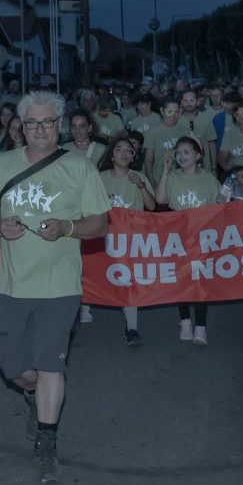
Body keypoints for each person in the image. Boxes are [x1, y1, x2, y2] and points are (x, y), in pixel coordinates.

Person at [0, 91, 111, 485]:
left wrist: (67, 227)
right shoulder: (1, 165)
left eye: (47, 122)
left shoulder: (79, 167)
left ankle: (46, 444)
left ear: (59, 124)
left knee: (51, 365)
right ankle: (33, 396)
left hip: (60, 285)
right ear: (22, 126)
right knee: (13, 368)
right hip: (12, 284)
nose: (40, 129)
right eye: (32, 122)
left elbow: (100, 223)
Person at [156, 136, 221, 346]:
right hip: (179, 236)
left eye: (187, 152)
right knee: (182, 278)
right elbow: (160, 200)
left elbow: (220, 207)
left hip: (203, 237)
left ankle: (201, 326)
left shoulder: (209, 179)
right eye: (178, 152)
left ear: (198, 156)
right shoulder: (173, 177)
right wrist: (165, 171)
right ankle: (185, 321)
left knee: (201, 280)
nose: (182, 156)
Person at [98, 136, 156, 346]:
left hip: (131, 240)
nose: (124, 153)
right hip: (105, 238)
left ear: (133, 157)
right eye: (119, 150)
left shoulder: (138, 177)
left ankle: (132, 328)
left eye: (129, 150)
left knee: (127, 280)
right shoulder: (100, 178)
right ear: (112, 156)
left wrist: (141, 186)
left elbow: (152, 206)